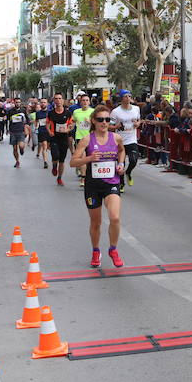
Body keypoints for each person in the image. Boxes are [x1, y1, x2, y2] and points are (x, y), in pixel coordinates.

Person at [70, 106, 125, 268]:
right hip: (93, 186)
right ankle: (95, 251)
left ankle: (113, 249)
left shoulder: (116, 138)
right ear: (93, 121)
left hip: (112, 183)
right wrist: (89, 158)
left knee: (114, 217)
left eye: (107, 120)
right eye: (100, 119)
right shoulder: (87, 140)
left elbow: (122, 151)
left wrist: (121, 164)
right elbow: (73, 162)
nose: (104, 123)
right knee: (96, 222)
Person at [110, 90, 141, 187]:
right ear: (121, 98)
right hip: (120, 140)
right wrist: (115, 127)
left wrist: (137, 124)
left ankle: (128, 172)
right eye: (125, 96)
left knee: (133, 160)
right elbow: (109, 126)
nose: (128, 98)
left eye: (129, 96)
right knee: (120, 164)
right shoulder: (115, 112)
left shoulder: (136, 109)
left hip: (132, 140)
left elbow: (139, 120)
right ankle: (121, 183)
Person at [46, 93, 73, 186]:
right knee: (55, 155)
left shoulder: (67, 113)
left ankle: (59, 178)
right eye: (56, 98)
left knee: (62, 160)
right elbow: (47, 124)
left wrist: (68, 129)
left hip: (64, 138)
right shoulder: (51, 113)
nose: (58, 100)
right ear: (54, 101)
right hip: (54, 138)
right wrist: (50, 132)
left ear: (63, 100)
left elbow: (71, 125)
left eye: (60, 98)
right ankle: (54, 166)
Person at [71, 94, 94, 187]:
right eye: (83, 100)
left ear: (89, 102)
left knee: (91, 158)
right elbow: (72, 122)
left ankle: (91, 176)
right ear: (80, 102)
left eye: (86, 100)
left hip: (92, 137)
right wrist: (68, 128)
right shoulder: (76, 112)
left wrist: (90, 122)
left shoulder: (93, 111)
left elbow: (98, 123)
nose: (85, 102)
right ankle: (83, 178)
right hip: (80, 137)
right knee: (83, 158)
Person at [6, 97, 30, 168]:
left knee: (21, 146)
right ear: (14, 103)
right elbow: (7, 121)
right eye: (16, 102)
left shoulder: (23, 110)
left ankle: (22, 149)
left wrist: (27, 125)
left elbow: (27, 119)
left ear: (20, 103)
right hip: (13, 131)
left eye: (19, 102)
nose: (18, 103)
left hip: (21, 131)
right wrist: (7, 129)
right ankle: (17, 161)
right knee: (14, 149)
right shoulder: (10, 111)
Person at [35, 98, 50, 169]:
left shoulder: (50, 112)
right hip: (42, 131)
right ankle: (45, 162)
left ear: (47, 103)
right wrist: (36, 127)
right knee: (44, 145)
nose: (43, 104)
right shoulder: (38, 113)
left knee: (48, 147)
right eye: (41, 102)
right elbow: (36, 121)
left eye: (44, 102)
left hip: (50, 132)